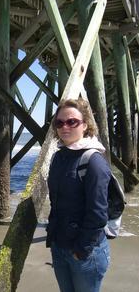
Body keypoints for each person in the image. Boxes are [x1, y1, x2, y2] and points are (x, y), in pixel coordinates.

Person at [46, 98, 111, 292]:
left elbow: (98, 215)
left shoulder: (93, 162)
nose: (65, 126)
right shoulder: (59, 156)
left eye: (72, 121)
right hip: (60, 246)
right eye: (60, 122)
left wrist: (80, 251)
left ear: (85, 125)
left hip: (85, 252)